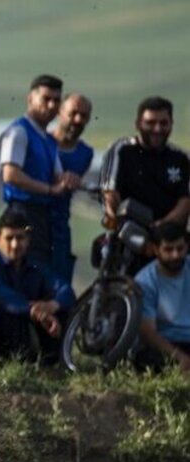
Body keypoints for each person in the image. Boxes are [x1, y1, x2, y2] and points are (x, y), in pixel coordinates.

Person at [0, 74, 80, 272]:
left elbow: (57, 176)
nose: (51, 105)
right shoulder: (19, 132)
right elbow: (10, 175)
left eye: (56, 100)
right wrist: (50, 190)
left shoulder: (48, 139)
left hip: (42, 216)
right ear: (30, 99)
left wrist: (69, 179)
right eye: (46, 99)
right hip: (22, 212)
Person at [0, 211, 75, 366]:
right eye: (9, 238)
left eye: (20, 238)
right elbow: (6, 299)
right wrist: (35, 311)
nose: (15, 245)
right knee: (8, 318)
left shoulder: (37, 266)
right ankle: (7, 364)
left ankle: (49, 363)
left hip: (27, 324)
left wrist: (51, 306)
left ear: (28, 240)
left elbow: (66, 291)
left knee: (61, 312)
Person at [101, 96, 190, 231]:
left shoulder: (181, 158)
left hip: (169, 241)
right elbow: (109, 192)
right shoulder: (122, 150)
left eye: (163, 123)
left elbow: (185, 202)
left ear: (171, 123)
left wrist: (161, 229)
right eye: (150, 122)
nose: (157, 129)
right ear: (138, 124)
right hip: (129, 235)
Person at [50, 94, 94, 285]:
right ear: (60, 113)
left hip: (60, 225)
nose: (78, 120)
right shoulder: (43, 143)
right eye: (73, 113)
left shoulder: (85, 153)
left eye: (83, 116)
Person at [134, 221, 190, 372]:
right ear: (156, 250)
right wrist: (179, 358)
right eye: (168, 249)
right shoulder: (145, 280)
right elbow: (148, 332)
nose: (176, 255)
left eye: (180, 248)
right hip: (167, 344)